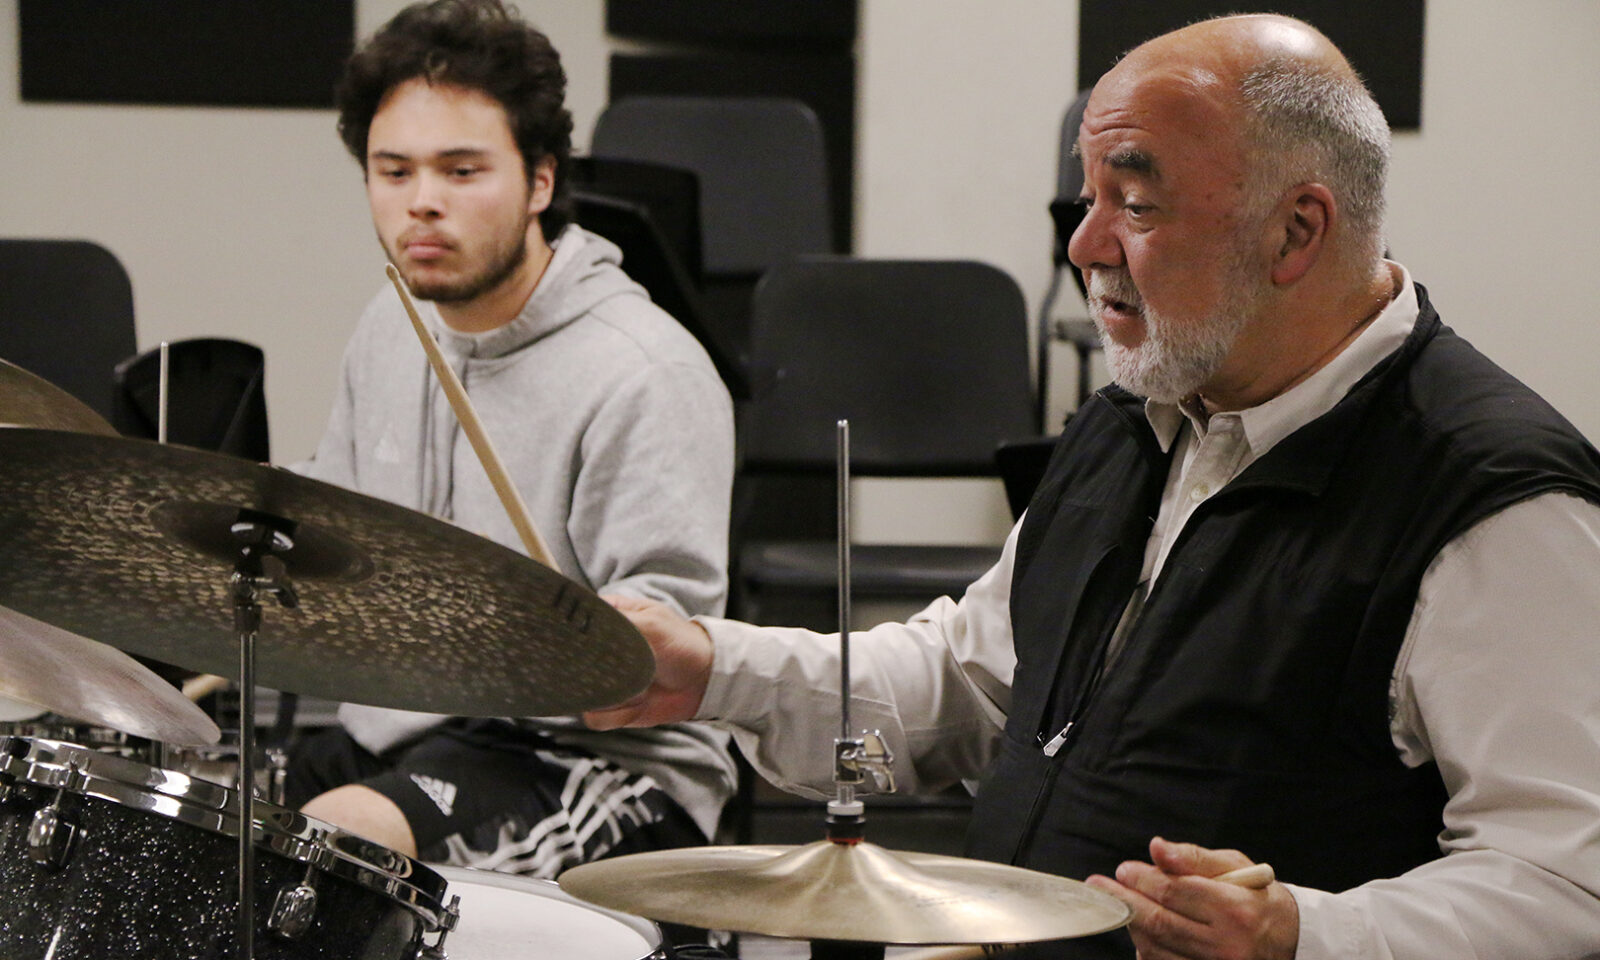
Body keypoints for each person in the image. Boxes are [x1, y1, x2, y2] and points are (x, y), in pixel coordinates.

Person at [585, 14, 1600, 960]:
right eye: (1086, 200)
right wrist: (708, 667)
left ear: (1296, 232)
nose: (1083, 246)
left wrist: (1305, 934)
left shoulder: (1492, 499)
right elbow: (977, 689)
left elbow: (1563, 881)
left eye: (1136, 203)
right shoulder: (1134, 422)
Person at [284, 0, 738, 881]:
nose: (422, 202)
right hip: (404, 736)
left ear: (539, 180)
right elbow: (336, 531)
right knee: (206, 835)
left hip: (595, 765)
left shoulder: (645, 369)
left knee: (337, 845)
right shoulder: (392, 322)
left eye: (461, 171)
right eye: (393, 170)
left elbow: (657, 647)